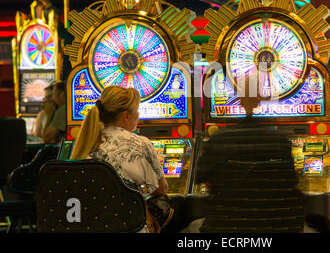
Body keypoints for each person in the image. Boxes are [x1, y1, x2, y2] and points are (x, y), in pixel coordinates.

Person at [193, 79, 306, 233]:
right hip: (275, 224)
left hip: (227, 225)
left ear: (239, 99)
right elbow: (291, 181)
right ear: (260, 99)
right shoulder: (279, 140)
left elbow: (199, 177)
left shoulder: (219, 139)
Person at [69, 85, 172, 233]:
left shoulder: (85, 142)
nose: (138, 114)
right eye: (136, 110)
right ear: (126, 115)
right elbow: (161, 189)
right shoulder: (141, 143)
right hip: (127, 227)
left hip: (85, 225)